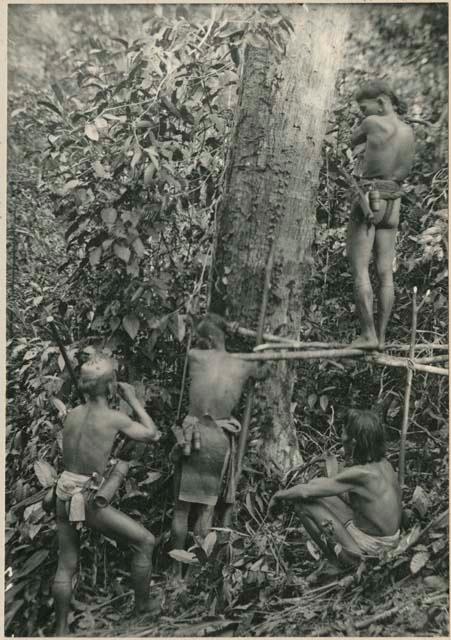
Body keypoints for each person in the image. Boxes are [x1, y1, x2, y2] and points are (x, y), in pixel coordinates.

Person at [52, 356, 161, 636]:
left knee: (67, 564)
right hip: (87, 499)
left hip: (62, 494)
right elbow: (152, 434)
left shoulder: (73, 414)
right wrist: (133, 398)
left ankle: (60, 631)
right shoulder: (114, 417)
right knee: (145, 541)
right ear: (111, 386)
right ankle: (143, 610)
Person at [170, 313, 269, 574]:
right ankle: (195, 573)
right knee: (205, 511)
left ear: (210, 339)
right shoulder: (244, 363)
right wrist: (262, 349)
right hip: (218, 439)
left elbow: (194, 347)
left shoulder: (195, 356)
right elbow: (263, 371)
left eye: (203, 339)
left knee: (181, 511)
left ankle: (174, 573)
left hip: (195, 433)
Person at [270, 409, 402, 564]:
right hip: (389, 538)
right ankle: (351, 549)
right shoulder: (384, 464)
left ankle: (343, 562)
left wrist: (279, 495)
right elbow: (329, 488)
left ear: (353, 443)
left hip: (375, 547)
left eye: (344, 435)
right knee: (326, 494)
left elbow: (305, 493)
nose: (341, 438)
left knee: (303, 505)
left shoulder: (361, 474)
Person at [346, 80, 415, 350]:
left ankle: (368, 335)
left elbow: (348, 143)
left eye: (365, 107)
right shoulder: (409, 131)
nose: (364, 113)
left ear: (382, 101)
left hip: (369, 198)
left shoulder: (373, 123)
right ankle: (383, 339)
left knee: (360, 268)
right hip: (394, 201)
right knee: (386, 273)